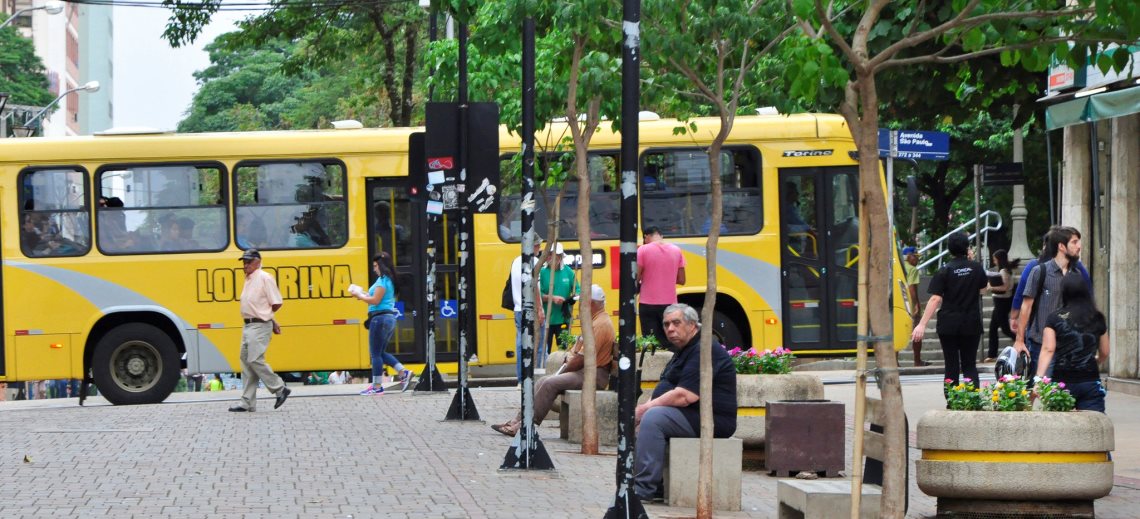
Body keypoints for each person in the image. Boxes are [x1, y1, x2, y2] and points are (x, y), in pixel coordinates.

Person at [633, 303, 737, 502]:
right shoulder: (685, 349)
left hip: (711, 419)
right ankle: (647, 484)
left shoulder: (704, 349)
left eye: (676, 323)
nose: (670, 329)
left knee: (653, 418)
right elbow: (668, 384)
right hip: (690, 414)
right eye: (666, 324)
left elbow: (685, 396)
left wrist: (646, 408)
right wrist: (644, 407)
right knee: (641, 416)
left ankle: (643, 489)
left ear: (692, 325)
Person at [491, 284, 614, 436]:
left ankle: (526, 425)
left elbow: (581, 359)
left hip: (592, 374)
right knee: (543, 381)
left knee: (550, 383)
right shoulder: (595, 321)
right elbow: (577, 351)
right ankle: (518, 421)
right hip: (585, 371)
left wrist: (566, 366)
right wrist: (569, 358)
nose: (579, 306)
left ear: (590, 303)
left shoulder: (600, 324)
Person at [911, 232, 988, 397]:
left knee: (951, 365)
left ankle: (953, 401)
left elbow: (935, 299)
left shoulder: (944, 270)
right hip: (971, 323)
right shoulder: (976, 268)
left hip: (949, 325)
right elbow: (983, 289)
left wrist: (922, 324)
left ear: (949, 249)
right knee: (969, 364)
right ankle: (972, 401)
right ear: (967, 248)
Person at [1013, 226, 1083, 381]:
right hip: (1040, 344)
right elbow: (1026, 307)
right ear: (1061, 246)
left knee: (1064, 395)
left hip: (1068, 346)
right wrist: (1019, 340)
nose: (1079, 246)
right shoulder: (1040, 271)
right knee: (1036, 389)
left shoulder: (1077, 274)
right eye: (1074, 242)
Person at [1036, 271, 1109, 412]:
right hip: (1090, 380)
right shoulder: (1097, 317)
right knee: (1093, 425)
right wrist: (1096, 360)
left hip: (1063, 382)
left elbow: (1048, 349)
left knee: (1062, 428)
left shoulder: (1054, 318)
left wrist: (1039, 379)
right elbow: (1105, 351)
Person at [229, 249, 291, 412]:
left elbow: (276, 302)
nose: (245, 265)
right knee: (246, 362)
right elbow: (258, 305)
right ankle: (247, 402)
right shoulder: (249, 278)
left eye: (248, 261)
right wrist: (272, 319)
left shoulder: (265, 277)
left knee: (255, 359)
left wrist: (267, 318)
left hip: (259, 325)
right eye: (244, 262)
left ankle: (279, 388)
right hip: (249, 325)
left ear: (258, 261)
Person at [351, 252, 414, 395]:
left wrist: (360, 296)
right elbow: (375, 298)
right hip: (387, 318)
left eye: (375, 266)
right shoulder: (388, 280)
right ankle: (404, 372)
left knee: (375, 355)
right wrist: (364, 294)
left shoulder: (383, 281)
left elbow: (375, 301)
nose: (374, 269)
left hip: (380, 319)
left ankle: (377, 386)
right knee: (380, 352)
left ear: (381, 265)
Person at [1009, 228, 1091, 336]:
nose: (1078, 246)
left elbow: (1020, 295)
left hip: (1042, 334)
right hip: (1060, 335)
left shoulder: (1034, 265)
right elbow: (1089, 294)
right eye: (1074, 242)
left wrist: (1014, 316)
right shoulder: (1077, 267)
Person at [636, 227, 686, 350]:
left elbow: (636, 277)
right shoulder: (676, 250)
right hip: (670, 306)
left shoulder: (643, 250)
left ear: (646, 237)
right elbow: (682, 280)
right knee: (672, 340)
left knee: (651, 343)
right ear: (660, 235)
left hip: (648, 304)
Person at [537, 243, 579, 369]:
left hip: (563, 318)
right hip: (546, 319)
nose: (550, 258)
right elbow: (538, 294)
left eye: (553, 255)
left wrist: (571, 299)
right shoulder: (542, 272)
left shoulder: (569, 272)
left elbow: (577, 290)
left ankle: (563, 371)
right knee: (545, 350)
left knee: (564, 349)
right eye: (548, 255)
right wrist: (552, 298)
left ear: (560, 257)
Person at [509, 240, 544, 382]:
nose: (540, 248)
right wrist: (540, 309)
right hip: (532, 310)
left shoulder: (516, 261)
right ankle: (536, 377)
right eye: (537, 245)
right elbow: (535, 288)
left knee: (520, 345)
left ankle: (521, 379)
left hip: (518, 309)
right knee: (539, 345)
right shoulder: (534, 261)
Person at [984, 249, 1020, 362]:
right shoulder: (1007, 270)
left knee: (1005, 328)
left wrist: (991, 287)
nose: (994, 262)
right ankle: (992, 354)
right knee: (993, 328)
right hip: (1001, 301)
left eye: (995, 259)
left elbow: (1004, 287)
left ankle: (1020, 340)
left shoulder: (1004, 271)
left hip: (1002, 302)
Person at [901, 246, 929, 366]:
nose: (917, 260)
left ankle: (895, 361)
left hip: (899, 304)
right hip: (909, 305)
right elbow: (912, 289)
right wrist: (917, 305)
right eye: (915, 257)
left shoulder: (897, 268)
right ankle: (917, 360)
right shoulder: (912, 270)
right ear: (909, 257)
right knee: (917, 333)